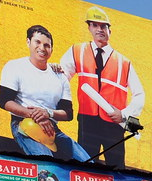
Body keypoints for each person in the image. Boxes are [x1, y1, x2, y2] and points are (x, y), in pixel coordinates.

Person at [60, 6, 145, 168]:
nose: (99, 29)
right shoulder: (77, 50)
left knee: (117, 169)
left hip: (114, 124)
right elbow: (61, 79)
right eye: (95, 25)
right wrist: (63, 105)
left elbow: (140, 94)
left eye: (103, 26)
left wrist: (123, 114)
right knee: (85, 165)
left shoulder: (124, 62)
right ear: (89, 28)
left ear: (109, 31)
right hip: (87, 120)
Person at [0, 25, 91, 162]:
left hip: (52, 128)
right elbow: (4, 100)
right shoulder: (14, 66)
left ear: (51, 49)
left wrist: (48, 113)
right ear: (28, 42)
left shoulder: (60, 76)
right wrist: (34, 115)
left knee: (89, 163)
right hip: (24, 123)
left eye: (47, 45)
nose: (42, 48)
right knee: (47, 163)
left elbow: (68, 113)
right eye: (38, 42)